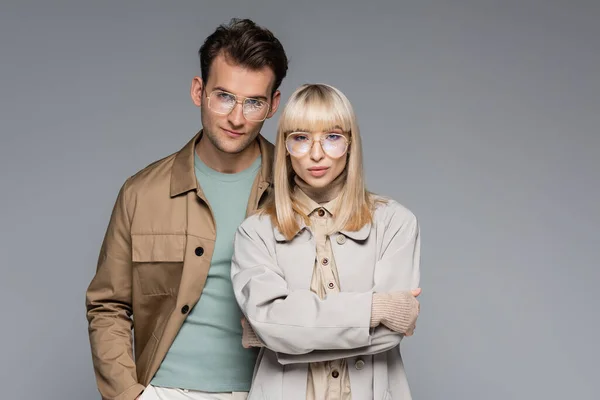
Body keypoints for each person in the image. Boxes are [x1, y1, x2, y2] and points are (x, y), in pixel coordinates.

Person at [85, 18, 288, 400]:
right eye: (224, 96)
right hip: (164, 391)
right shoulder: (141, 193)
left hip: (271, 390)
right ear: (199, 91)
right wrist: (130, 395)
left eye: (254, 102)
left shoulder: (297, 192)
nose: (237, 118)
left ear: (273, 104)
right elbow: (107, 305)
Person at [230, 83, 422, 400]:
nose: (316, 154)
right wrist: (376, 309)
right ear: (285, 146)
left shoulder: (395, 222)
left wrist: (279, 336)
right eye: (301, 138)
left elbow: (390, 336)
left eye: (332, 137)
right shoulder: (256, 232)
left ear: (350, 143)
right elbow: (271, 324)